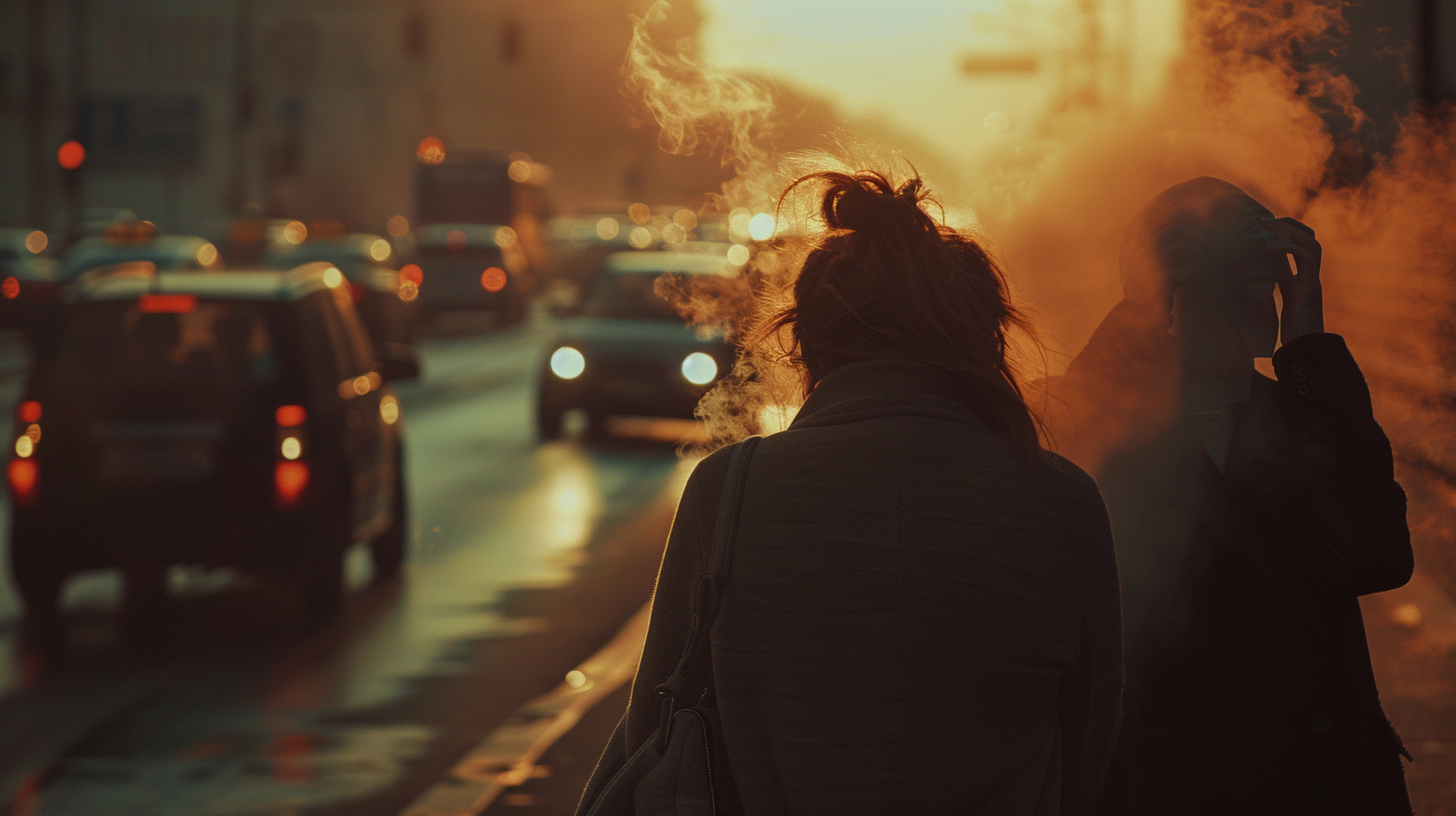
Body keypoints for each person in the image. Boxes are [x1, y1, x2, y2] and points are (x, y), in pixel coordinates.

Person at [580, 169, 1123, 815]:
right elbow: (1094, 761)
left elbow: (651, 739)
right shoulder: (1062, 505)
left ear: (809, 343)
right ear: (986, 339)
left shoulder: (729, 494)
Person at [1044, 176, 1413, 815]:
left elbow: (1376, 557)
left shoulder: (1307, 408)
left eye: (1268, 284)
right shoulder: (1100, 418)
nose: (1261, 304)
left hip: (1311, 775)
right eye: (1236, 281)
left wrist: (1311, 348)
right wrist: (1133, 332)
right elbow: (1051, 543)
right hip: (1162, 772)